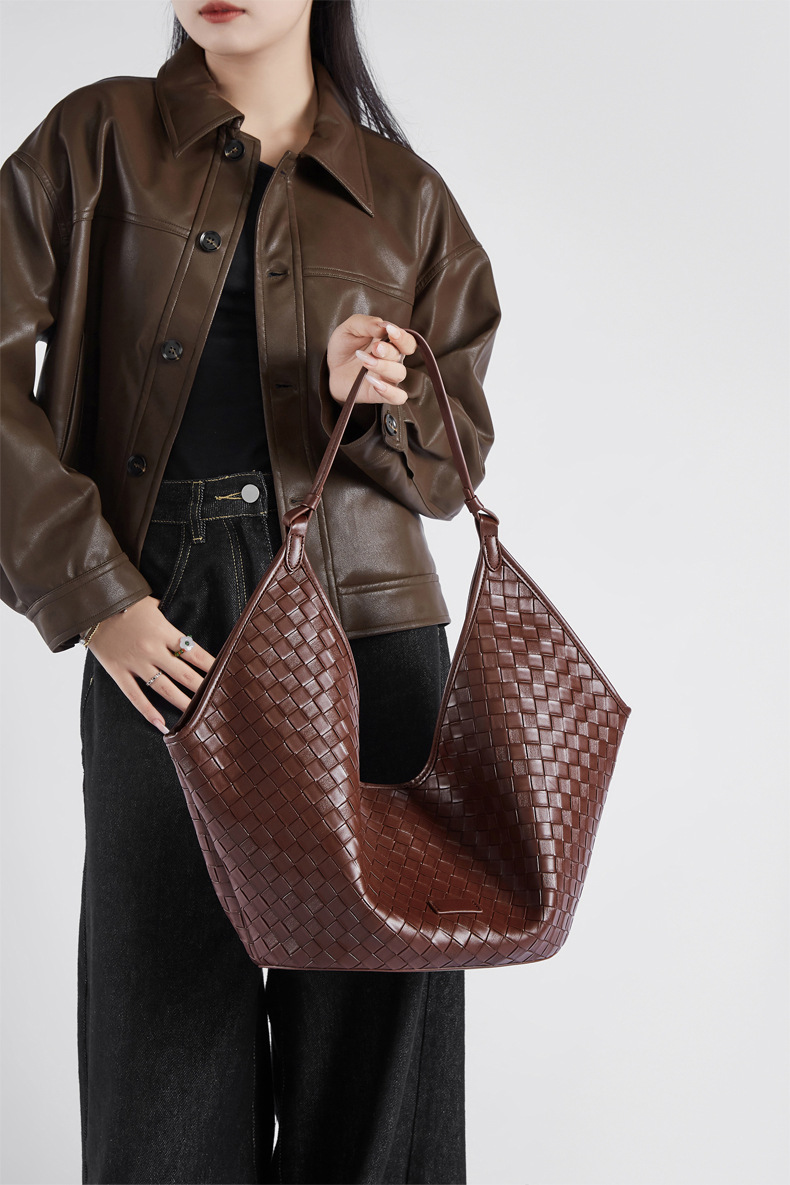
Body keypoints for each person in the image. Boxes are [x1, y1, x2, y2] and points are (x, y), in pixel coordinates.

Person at [0, 1, 502, 1180]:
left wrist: (366, 400)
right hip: (163, 627)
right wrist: (93, 590)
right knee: (164, 1040)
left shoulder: (404, 196)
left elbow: (453, 468)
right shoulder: (95, 140)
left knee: (376, 1066)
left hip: (374, 636)